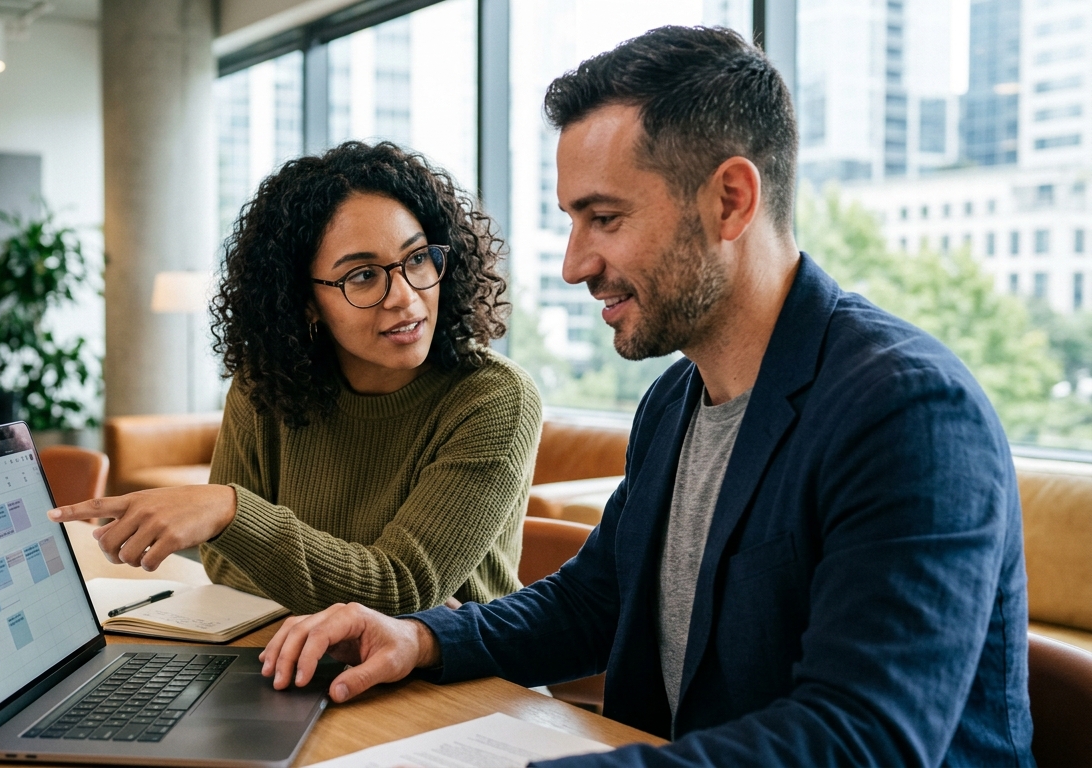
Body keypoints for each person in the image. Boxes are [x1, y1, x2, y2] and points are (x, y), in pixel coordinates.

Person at [257, 27, 1034, 767]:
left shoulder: (908, 413)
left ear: (730, 200)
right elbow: (597, 600)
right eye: (572, 221)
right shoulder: (676, 400)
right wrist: (422, 640)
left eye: (605, 218)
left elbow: (860, 745)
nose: (573, 263)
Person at [49, 141, 543, 617]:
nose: (405, 297)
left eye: (416, 259)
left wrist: (231, 512)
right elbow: (224, 566)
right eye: (363, 275)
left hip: (462, 683)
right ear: (305, 301)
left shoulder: (494, 397)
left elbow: (402, 586)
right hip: (304, 654)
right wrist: (373, 596)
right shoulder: (265, 385)